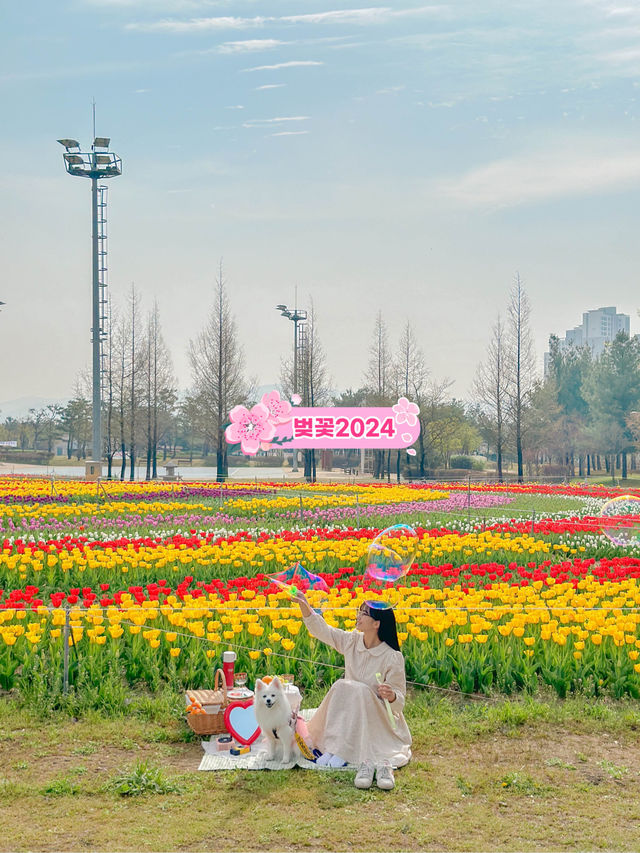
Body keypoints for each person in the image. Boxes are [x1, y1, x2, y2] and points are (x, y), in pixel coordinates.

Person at [293, 591, 412, 790]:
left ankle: (343, 752)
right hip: (349, 714)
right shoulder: (352, 641)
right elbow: (323, 631)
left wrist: (391, 696)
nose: (358, 616)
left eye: (364, 613)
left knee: (358, 690)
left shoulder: (392, 657)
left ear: (377, 624)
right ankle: (334, 749)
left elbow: (399, 704)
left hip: (377, 718)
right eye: (360, 611)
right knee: (343, 685)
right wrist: (304, 605)